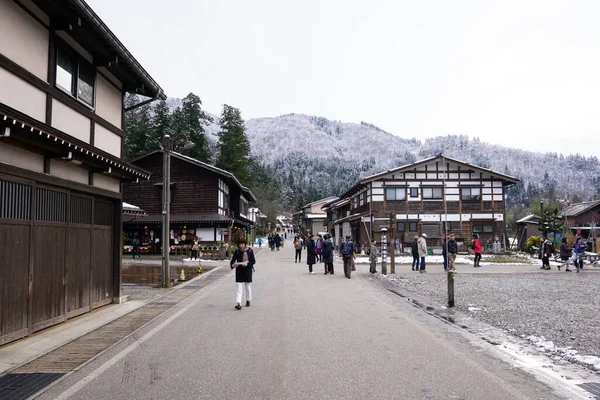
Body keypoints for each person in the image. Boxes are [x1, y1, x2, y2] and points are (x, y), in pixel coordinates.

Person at [230, 240, 256, 310]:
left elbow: (253, 261)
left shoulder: (250, 251)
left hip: (247, 270)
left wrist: (247, 264)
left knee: (247, 286)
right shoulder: (237, 251)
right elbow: (233, 260)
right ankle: (238, 303)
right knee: (239, 287)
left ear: (245, 244)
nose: (241, 246)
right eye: (240, 244)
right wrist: (233, 265)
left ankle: (248, 300)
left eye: (242, 244)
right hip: (239, 271)